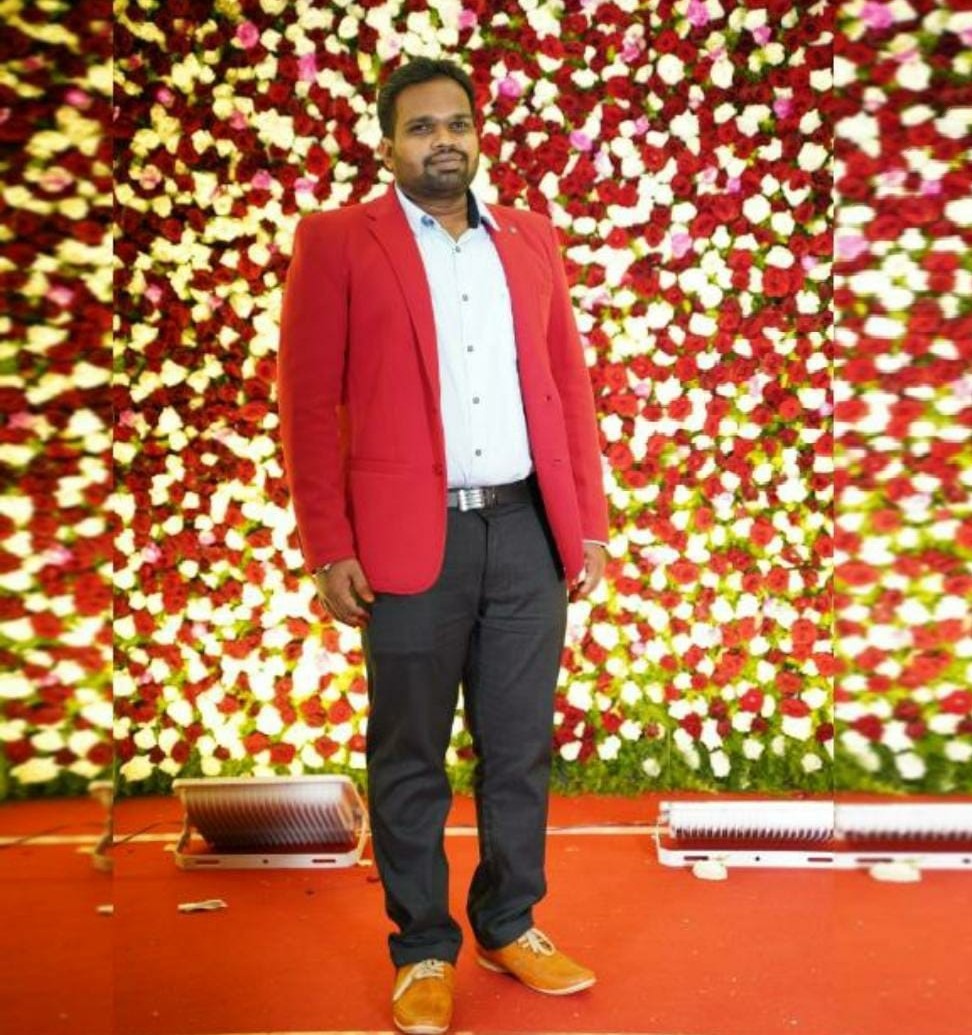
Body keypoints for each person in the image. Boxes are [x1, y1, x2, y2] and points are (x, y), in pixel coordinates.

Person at [277, 57, 609, 1035]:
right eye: (421, 127)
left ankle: (509, 923)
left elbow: (568, 384)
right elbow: (308, 402)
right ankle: (422, 946)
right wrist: (327, 541)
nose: (443, 141)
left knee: (519, 748)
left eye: (456, 123)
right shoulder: (338, 240)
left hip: (527, 530)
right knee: (410, 752)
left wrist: (587, 522)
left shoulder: (532, 239)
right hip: (404, 541)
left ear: (477, 133)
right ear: (387, 144)